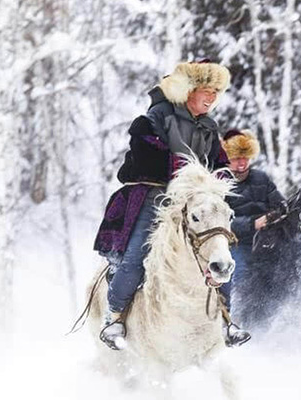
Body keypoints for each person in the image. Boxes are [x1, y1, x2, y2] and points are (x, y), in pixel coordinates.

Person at [92, 60, 250, 350]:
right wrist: (183, 173)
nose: (212, 97)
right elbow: (144, 157)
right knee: (136, 257)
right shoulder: (155, 118)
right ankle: (114, 318)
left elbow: (219, 164)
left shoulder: (209, 126)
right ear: (188, 90)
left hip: (195, 203)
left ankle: (227, 321)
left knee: (221, 255)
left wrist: (218, 177)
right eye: (207, 90)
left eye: (217, 91)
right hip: (157, 198)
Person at [218, 130, 285, 316]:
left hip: (266, 241)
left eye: (245, 157)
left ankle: (272, 316)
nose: (242, 163)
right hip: (236, 243)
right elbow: (218, 221)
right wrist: (251, 224)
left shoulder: (261, 178)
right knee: (241, 275)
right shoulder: (218, 182)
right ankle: (235, 318)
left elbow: (280, 205)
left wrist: (275, 215)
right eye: (237, 158)